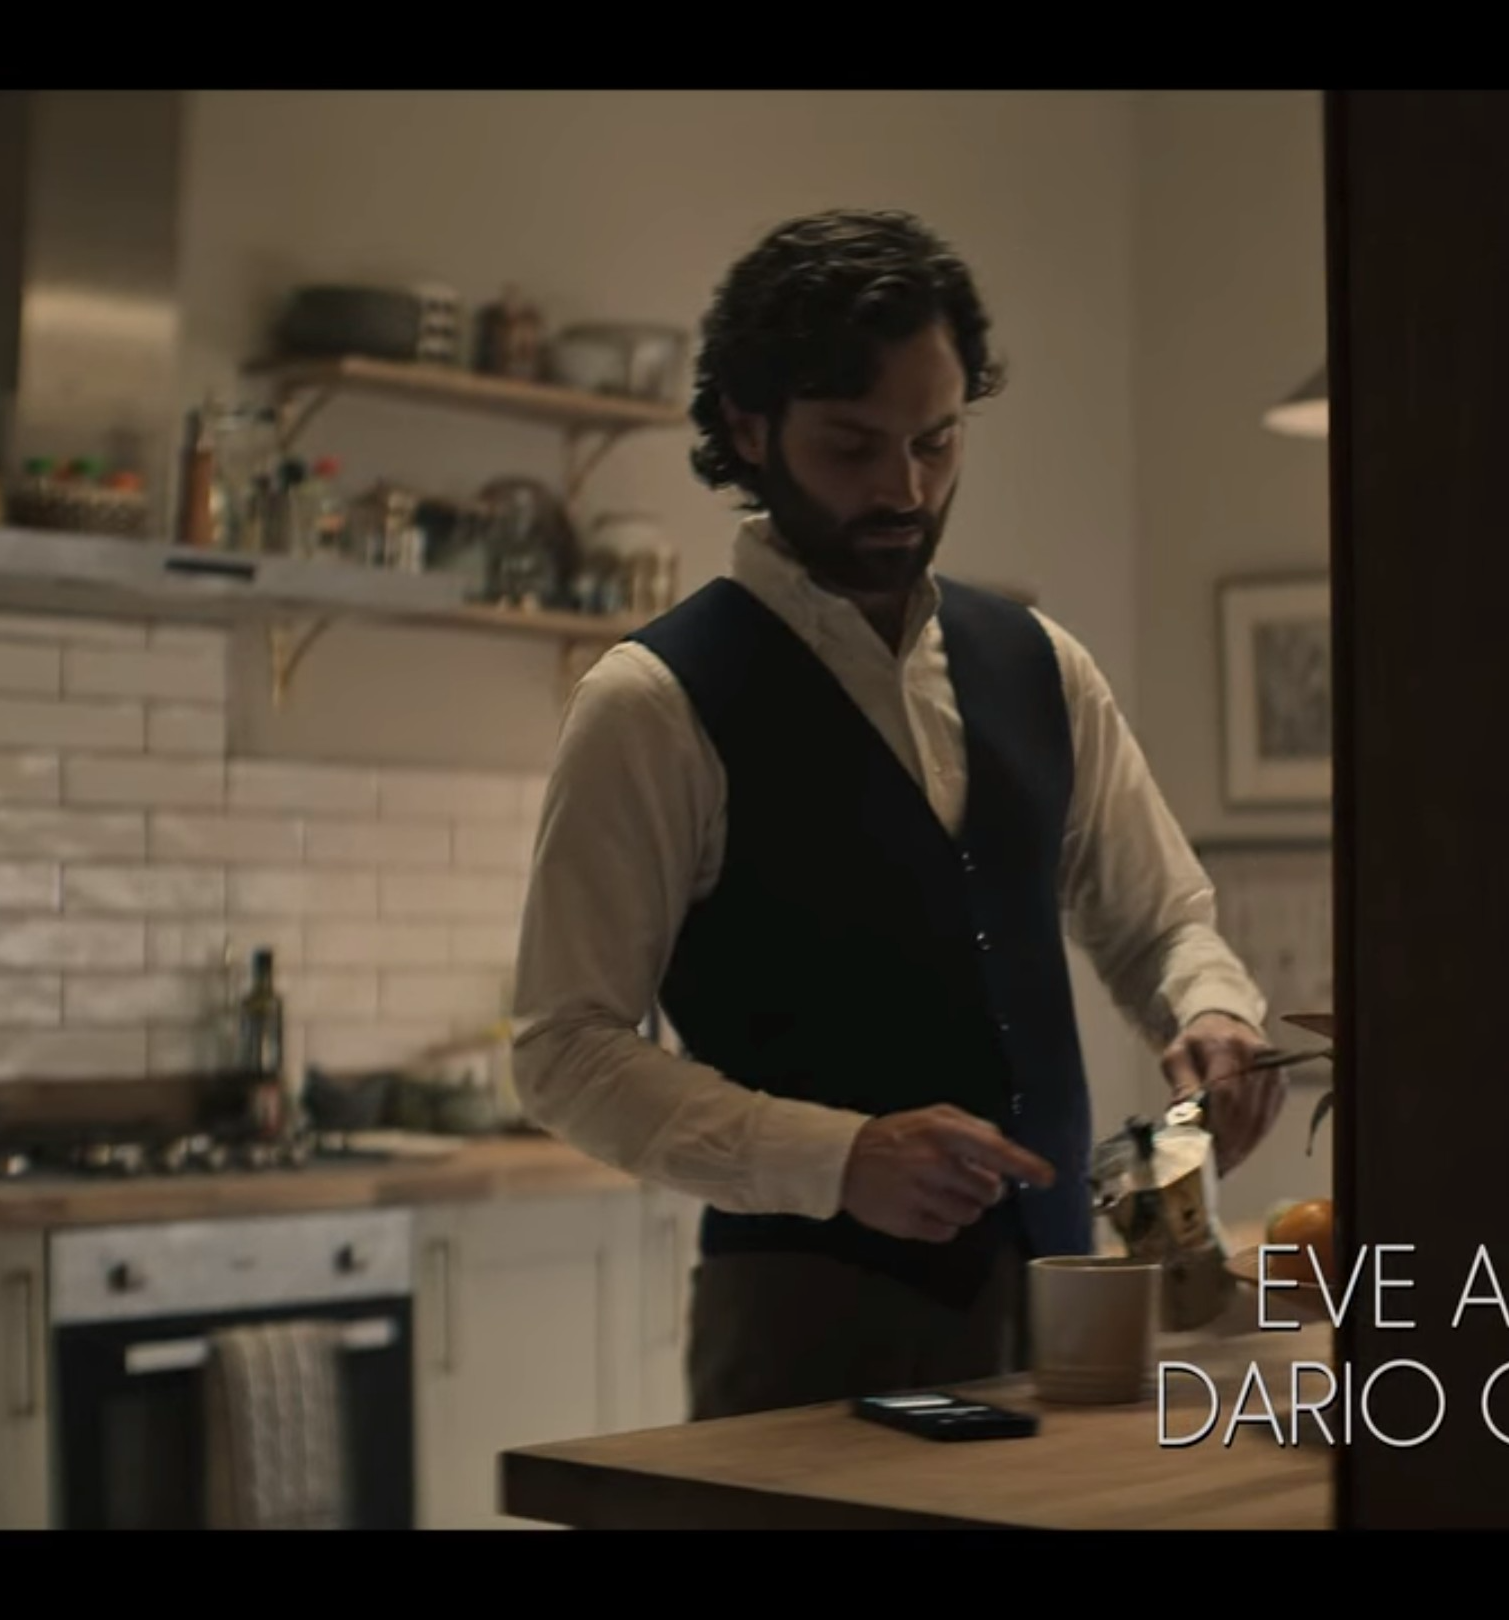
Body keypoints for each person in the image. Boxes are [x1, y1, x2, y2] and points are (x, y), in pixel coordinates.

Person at [509, 208, 1285, 1422]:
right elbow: (564, 1048)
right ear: (746, 431)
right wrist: (840, 1158)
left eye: (936, 441)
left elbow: (1160, 920)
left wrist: (1216, 1013)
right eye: (853, 447)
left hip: (1061, 1311)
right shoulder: (651, 703)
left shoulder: (1041, 664)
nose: (906, 490)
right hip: (803, 1334)